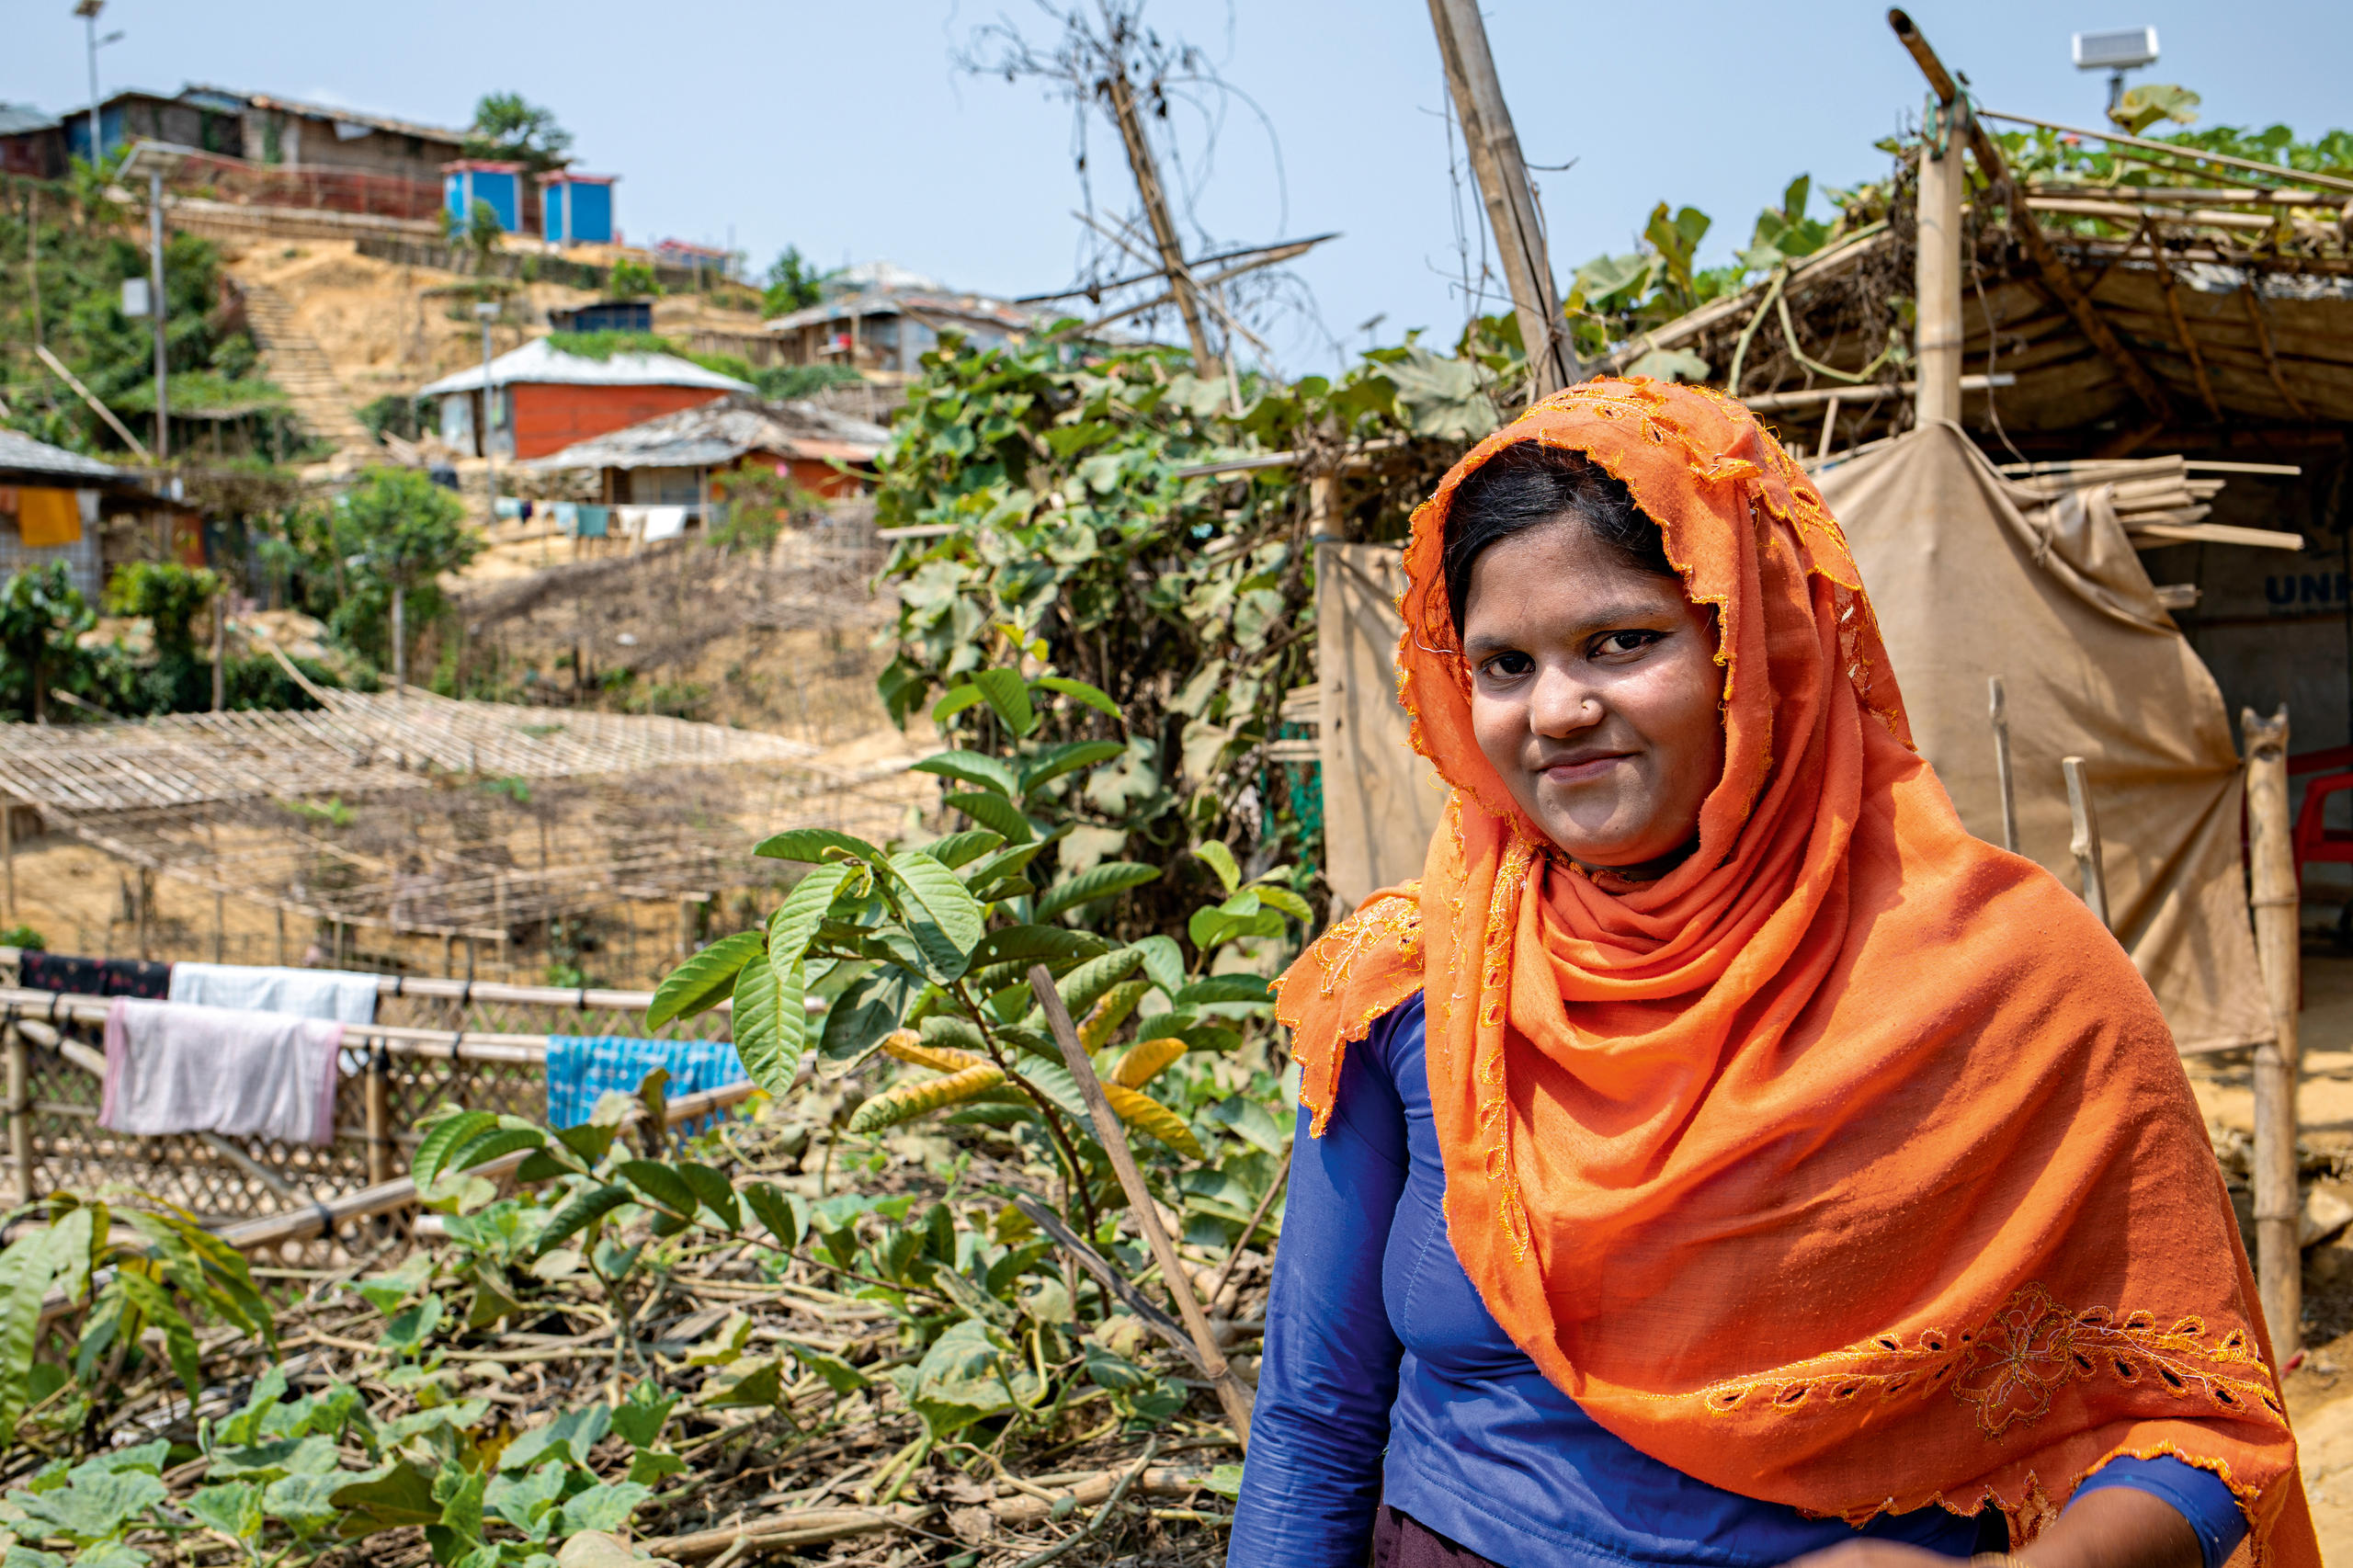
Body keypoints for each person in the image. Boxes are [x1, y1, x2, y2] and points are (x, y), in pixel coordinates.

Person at [1229, 379, 2316, 1568]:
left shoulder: (2008, 981)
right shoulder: (1415, 984)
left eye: (1621, 641)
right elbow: (1314, 1422)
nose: (1560, 709)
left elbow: (2199, 1421)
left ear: (1756, 647)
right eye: (1504, 665)